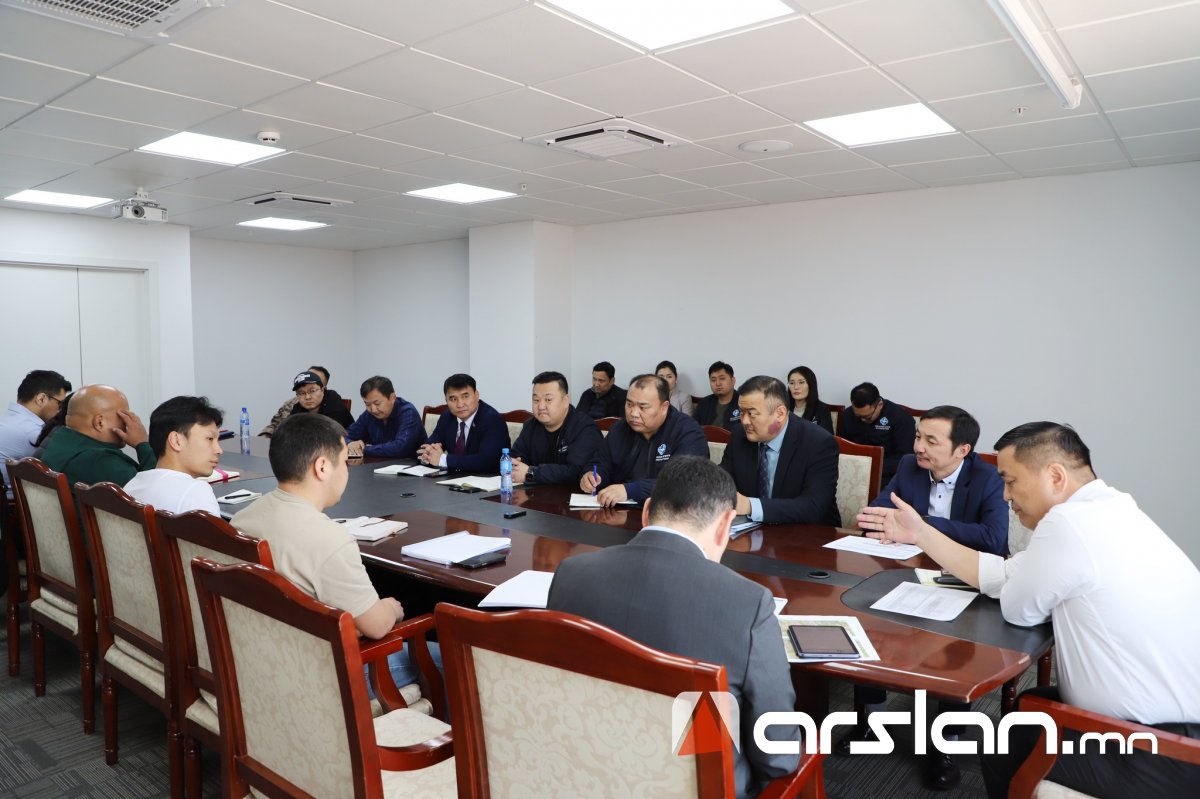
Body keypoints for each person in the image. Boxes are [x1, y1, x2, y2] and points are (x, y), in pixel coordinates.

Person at [859, 422, 1200, 799]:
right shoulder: (1111, 510)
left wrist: (1009, 583)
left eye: (1010, 481)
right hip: (1169, 728)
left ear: (1055, 476)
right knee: (1025, 709)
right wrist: (921, 534)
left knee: (1007, 745)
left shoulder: (1068, 523)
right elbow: (1004, 574)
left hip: (1159, 749)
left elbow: (1018, 609)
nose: (1006, 495)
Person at [550, 456, 801, 798]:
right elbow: (778, 753)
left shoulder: (571, 574)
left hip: (586, 775)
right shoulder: (749, 603)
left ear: (646, 511)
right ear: (726, 525)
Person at [843, 405, 1009, 788]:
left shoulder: (987, 477)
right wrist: (891, 523)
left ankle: (944, 745)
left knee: (957, 653)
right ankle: (870, 720)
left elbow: (993, 539)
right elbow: (880, 509)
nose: (919, 447)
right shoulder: (908, 466)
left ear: (962, 450)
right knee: (870, 620)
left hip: (966, 576)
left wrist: (923, 527)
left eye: (931, 441)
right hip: (909, 569)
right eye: (919, 436)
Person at [232, 413, 440, 695]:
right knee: (448, 657)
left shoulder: (243, 519)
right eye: (343, 461)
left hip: (257, 661)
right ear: (322, 467)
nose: (347, 471)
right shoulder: (329, 539)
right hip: (317, 679)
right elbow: (377, 627)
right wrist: (391, 608)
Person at [719, 375, 839, 526]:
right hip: (753, 531)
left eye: (751, 414)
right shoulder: (739, 435)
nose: (745, 421)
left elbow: (814, 507)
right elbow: (722, 481)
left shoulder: (818, 443)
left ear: (780, 413)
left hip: (808, 533)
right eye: (741, 413)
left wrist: (750, 506)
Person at [580, 374, 708, 507]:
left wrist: (630, 490)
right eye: (629, 404)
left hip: (668, 512)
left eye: (643, 407)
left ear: (664, 407)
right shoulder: (620, 428)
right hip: (618, 510)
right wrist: (592, 476)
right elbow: (600, 461)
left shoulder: (687, 432)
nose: (633, 413)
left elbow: (684, 483)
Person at [40, 384, 156, 487]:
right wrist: (142, 444)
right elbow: (153, 491)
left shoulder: (60, 439)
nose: (129, 424)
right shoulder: (99, 460)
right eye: (124, 417)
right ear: (99, 422)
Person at [124, 396, 223, 515]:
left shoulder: (132, 486)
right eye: (210, 438)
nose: (219, 450)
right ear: (176, 441)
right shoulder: (196, 492)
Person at [510, 371, 602, 486]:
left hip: (568, 494)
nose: (541, 406)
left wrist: (531, 473)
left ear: (565, 401)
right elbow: (515, 457)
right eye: (536, 400)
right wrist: (513, 465)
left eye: (548, 400)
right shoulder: (531, 425)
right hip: (535, 493)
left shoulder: (584, 428)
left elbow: (577, 472)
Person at [417, 373, 510, 472]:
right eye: (453, 399)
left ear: (477, 395)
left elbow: (485, 461)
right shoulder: (447, 417)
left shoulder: (492, 420)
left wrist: (443, 460)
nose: (460, 404)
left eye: (465, 396)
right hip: (453, 478)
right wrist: (427, 455)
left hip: (486, 478)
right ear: (446, 400)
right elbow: (426, 447)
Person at [0, 369, 71, 494]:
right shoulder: (32, 432)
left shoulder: (6, 420)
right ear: (41, 399)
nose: (62, 410)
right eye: (60, 404)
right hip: (14, 503)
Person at [836, 382, 915, 482]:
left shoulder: (900, 417)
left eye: (867, 417)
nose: (862, 420)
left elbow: (905, 455)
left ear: (880, 405)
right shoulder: (847, 415)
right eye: (858, 416)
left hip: (885, 473)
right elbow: (842, 448)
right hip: (853, 470)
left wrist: (873, 466)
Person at [345, 375, 425, 459]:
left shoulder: (408, 412)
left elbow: (400, 448)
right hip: (378, 463)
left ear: (392, 398)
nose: (373, 409)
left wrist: (364, 448)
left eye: (377, 404)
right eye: (367, 404)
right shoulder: (369, 414)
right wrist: (350, 443)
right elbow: (344, 435)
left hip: (408, 464)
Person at [260, 365, 329, 437]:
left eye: (312, 389)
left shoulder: (332, 404)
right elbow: (274, 425)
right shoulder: (291, 403)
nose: (307, 397)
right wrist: (265, 436)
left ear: (323, 389)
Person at [287, 369, 354, 430]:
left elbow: (328, 432)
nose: (307, 397)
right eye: (301, 393)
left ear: (322, 390)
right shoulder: (297, 408)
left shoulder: (333, 399)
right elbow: (287, 430)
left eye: (312, 391)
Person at [693, 361, 741, 431]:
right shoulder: (704, 403)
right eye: (713, 380)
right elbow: (693, 428)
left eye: (722, 378)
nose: (718, 383)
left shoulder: (743, 402)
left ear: (733, 380)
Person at [785, 365, 833, 435]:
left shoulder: (821, 410)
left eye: (801, 382)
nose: (796, 387)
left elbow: (826, 438)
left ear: (811, 385)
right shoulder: (784, 408)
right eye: (792, 383)